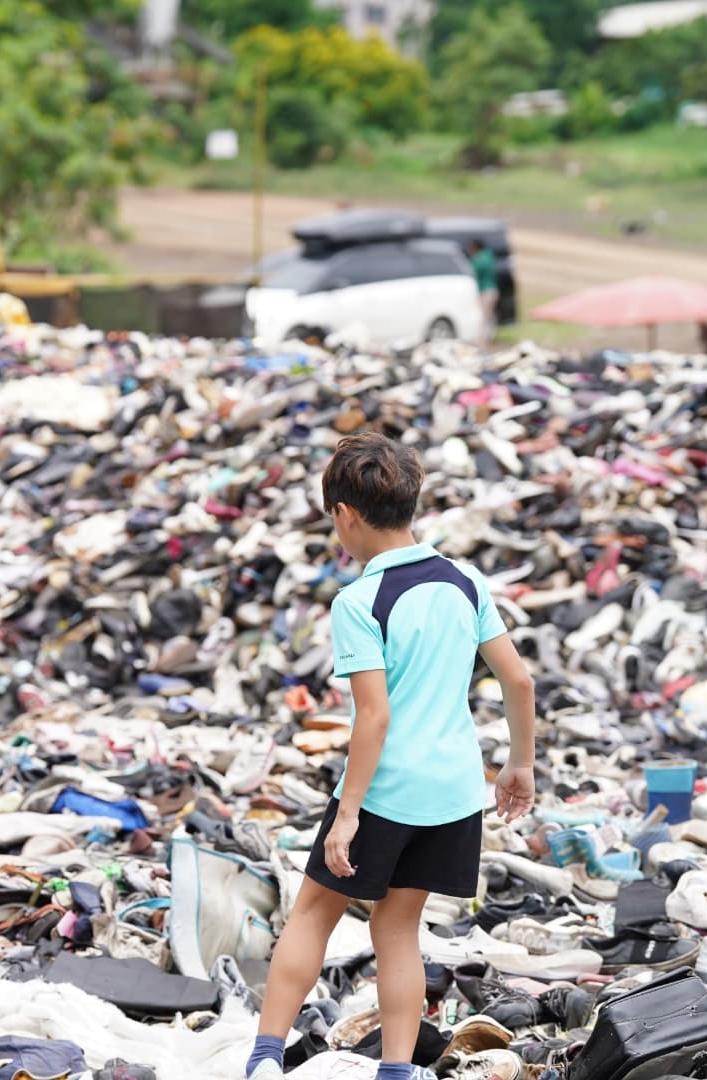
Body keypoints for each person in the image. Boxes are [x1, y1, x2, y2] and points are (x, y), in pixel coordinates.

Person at [246, 432, 536, 1080]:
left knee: (313, 912)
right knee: (397, 930)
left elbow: (372, 716)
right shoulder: (464, 581)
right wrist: (521, 763)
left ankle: (264, 1060)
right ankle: (396, 1072)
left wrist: (347, 813)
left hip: (385, 790)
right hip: (455, 792)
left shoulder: (358, 602)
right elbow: (517, 681)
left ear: (344, 515)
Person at [467, 240, 499, 344]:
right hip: (491, 290)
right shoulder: (488, 257)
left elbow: (472, 269)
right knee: (489, 316)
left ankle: (482, 341)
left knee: (483, 316)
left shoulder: (481, 259)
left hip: (486, 291)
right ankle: (490, 336)